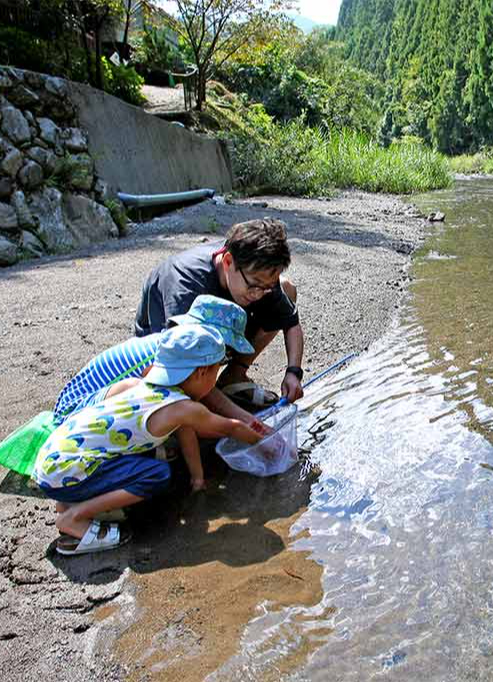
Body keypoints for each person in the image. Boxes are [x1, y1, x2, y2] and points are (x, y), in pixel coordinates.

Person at [33, 325, 280, 556]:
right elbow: (230, 427)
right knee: (156, 474)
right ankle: (75, 518)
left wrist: (197, 479)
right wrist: (265, 443)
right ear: (203, 371)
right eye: (216, 371)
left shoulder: (141, 386)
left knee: (138, 457)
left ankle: (68, 502)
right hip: (66, 473)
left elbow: (186, 430)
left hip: (52, 460)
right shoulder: (184, 407)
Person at [134, 218, 305, 410]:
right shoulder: (186, 284)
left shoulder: (256, 276)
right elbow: (182, 361)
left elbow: (291, 323)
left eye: (265, 287)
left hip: (209, 336)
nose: (258, 294)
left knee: (286, 289)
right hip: (167, 356)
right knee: (194, 408)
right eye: (254, 285)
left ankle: (233, 377)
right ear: (228, 261)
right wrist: (242, 420)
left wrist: (293, 372)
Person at [54, 295, 258, 426]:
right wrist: (239, 422)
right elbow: (197, 399)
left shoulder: (171, 344)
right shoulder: (166, 357)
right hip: (73, 415)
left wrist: (243, 419)